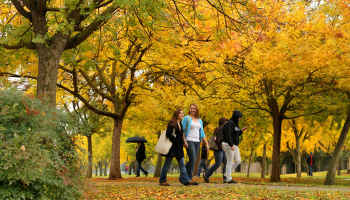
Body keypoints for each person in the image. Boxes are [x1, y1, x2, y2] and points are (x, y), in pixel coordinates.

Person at [159, 109, 198, 186]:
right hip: (171, 148)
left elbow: (180, 136)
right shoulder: (172, 123)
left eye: (182, 113)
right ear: (177, 114)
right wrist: (176, 141)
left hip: (179, 148)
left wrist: (183, 143)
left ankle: (186, 180)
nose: (182, 115)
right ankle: (162, 180)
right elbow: (168, 134)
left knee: (182, 164)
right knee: (167, 164)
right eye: (180, 113)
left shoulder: (180, 124)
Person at [182, 103, 209, 182]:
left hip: (197, 142)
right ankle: (188, 178)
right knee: (193, 160)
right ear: (189, 109)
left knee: (192, 161)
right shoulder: (186, 118)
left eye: (194, 108)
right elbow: (183, 131)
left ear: (196, 110)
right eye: (191, 108)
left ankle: (185, 177)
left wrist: (207, 144)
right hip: (189, 141)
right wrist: (184, 141)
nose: (192, 110)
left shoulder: (200, 120)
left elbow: (202, 133)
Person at [222, 110, 247, 183]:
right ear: (236, 116)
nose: (240, 118)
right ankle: (228, 179)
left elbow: (235, 134)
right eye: (239, 117)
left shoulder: (235, 124)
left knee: (238, 161)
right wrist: (231, 145)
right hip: (228, 144)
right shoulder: (230, 123)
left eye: (241, 117)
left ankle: (226, 174)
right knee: (230, 161)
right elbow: (228, 135)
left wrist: (241, 131)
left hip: (235, 145)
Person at [203, 117, 228, 183]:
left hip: (224, 149)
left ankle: (225, 178)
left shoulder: (226, 130)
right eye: (225, 122)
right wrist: (220, 147)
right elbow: (216, 139)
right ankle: (206, 175)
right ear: (222, 122)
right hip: (218, 149)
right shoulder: (217, 129)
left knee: (226, 163)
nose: (226, 123)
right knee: (218, 164)